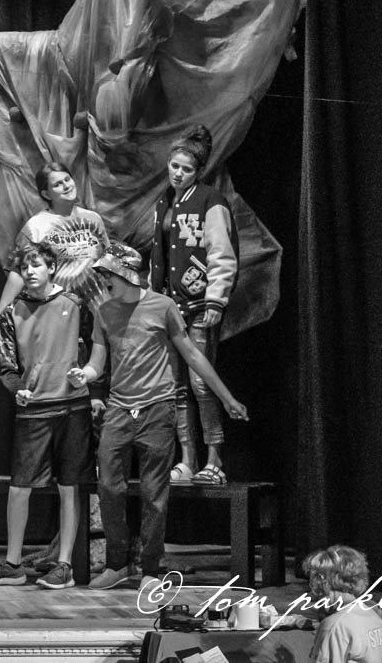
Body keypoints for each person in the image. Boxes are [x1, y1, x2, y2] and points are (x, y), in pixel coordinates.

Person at [76, 242, 247, 593]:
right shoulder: (104, 311)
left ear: (125, 273)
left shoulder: (163, 306)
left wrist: (226, 397)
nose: (104, 281)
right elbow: (97, 362)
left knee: (154, 492)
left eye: (108, 274)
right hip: (120, 409)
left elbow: (192, 355)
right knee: (108, 487)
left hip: (157, 408)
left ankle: (151, 568)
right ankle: (117, 564)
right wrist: (85, 375)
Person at [0, 243, 93, 590]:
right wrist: (18, 389)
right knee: (19, 486)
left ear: (52, 268)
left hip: (73, 407)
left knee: (69, 485)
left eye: (36, 265)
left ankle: (64, 564)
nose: (30, 272)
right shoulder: (12, 313)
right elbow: (7, 367)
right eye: (25, 267)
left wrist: (88, 380)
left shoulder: (75, 303)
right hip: (34, 408)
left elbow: (95, 347)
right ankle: (13, 564)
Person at [148, 125, 240, 487]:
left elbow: (222, 252)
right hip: (169, 307)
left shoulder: (210, 200)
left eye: (186, 169)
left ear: (199, 171)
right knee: (177, 387)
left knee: (202, 383)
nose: (178, 173)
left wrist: (217, 297)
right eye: (174, 166)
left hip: (200, 304)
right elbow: (159, 255)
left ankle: (214, 459)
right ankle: (187, 459)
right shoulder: (164, 202)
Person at [0, 162, 110, 328]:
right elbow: (18, 272)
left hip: (100, 310)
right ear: (46, 194)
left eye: (67, 179)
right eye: (57, 184)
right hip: (61, 313)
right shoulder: (36, 227)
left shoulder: (94, 219)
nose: (66, 186)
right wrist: (0, 314)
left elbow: (108, 264)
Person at [302, 545, 382, 663]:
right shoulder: (375, 618)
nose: (313, 591)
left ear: (324, 582)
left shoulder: (334, 626)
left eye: (313, 582)